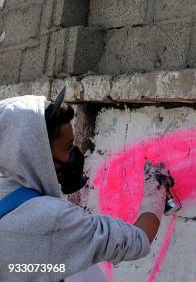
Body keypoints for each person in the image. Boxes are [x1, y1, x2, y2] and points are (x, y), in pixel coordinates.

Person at [0, 90, 171, 281]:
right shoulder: (53, 219)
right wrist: (156, 191)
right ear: (37, 153)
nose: (74, 155)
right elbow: (137, 240)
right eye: (68, 146)